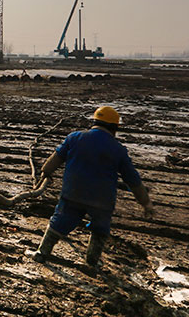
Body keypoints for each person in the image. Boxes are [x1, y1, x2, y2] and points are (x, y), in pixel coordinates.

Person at [28, 106, 154, 271]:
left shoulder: (74, 137)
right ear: (114, 128)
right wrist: (145, 203)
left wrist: (46, 172)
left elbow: (54, 160)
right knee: (100, 229)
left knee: (59, 221)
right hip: (102, 200)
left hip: (73, 193)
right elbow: (133, 180)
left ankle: (42, 253)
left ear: (95, 122)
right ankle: (92, 262)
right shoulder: (118, 150)